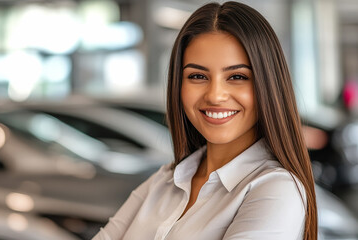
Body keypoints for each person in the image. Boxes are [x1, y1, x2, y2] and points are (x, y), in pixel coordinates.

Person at [92, 1, 317, 240]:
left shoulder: (275, 189)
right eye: (198, 76)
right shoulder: (164, 180)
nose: (215, 95)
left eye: (237, 76)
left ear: (268, 85)